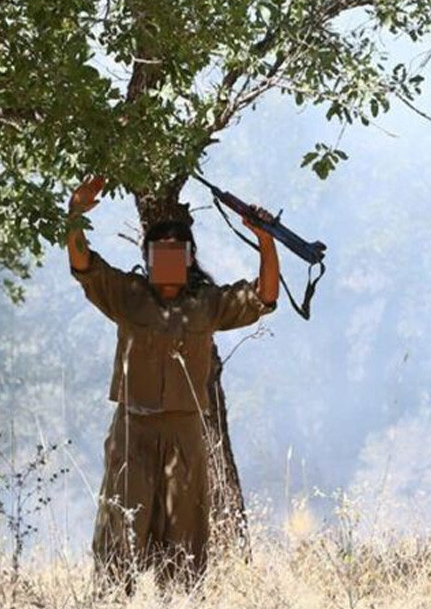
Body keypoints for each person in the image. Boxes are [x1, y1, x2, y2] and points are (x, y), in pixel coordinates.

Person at [67, 176, 279, 588]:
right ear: (146, 258)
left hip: (184, 432)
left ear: (189, 258)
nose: (167, 260)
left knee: (184, 541)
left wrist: (265, 240)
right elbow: (83, 265)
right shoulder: (126, 295)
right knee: (119, 534)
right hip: (133, 429)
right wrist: (75, 214)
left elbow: (264, 298)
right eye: (158, 252)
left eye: (175, 252)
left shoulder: (207, 304)